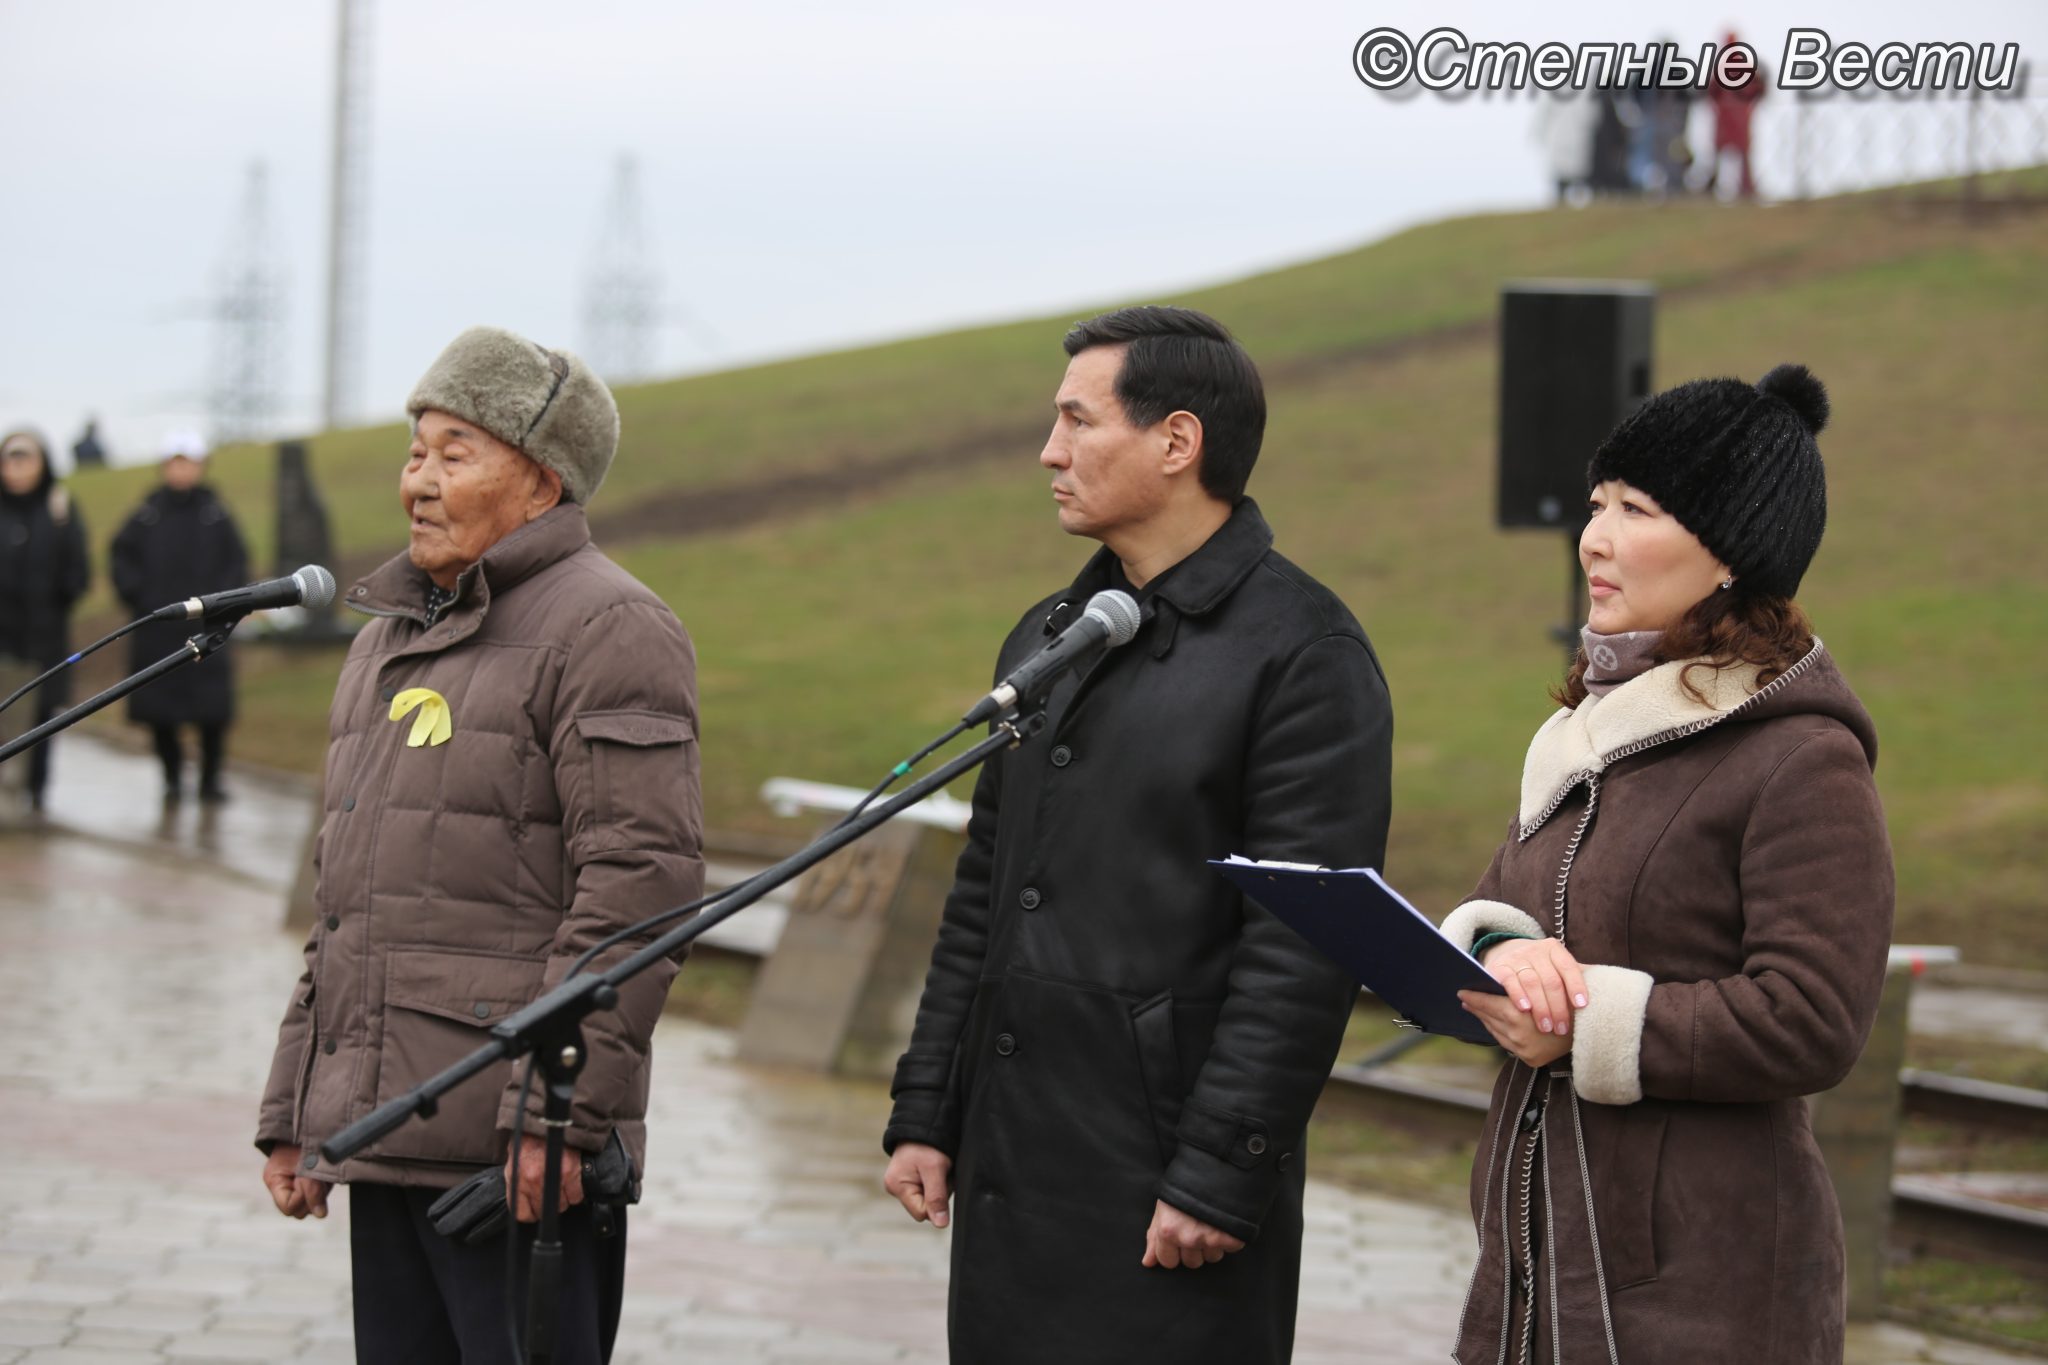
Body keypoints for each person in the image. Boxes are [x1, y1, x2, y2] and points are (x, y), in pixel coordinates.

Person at [881, 306, 1393, 1363]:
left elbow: (1301, 949)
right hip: (1014, 1164)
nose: (1048, 451)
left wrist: (1217, 1169)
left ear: (1175, 442)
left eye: (1077, 421)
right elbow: (986, 886)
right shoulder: (1049, 638)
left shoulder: (1302, 654)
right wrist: (928, 1103)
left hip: (1164, 1187)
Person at [253, 327, 704, 1365]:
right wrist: (299, 1108)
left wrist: (558, 1118)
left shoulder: (611, 628)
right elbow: (345, 903)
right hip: (386, 1136)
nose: (417, 479)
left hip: (511, 1153)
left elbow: (638, 890)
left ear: (543, 482)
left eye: (456, 452)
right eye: (415, 449)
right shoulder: (384, 642)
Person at [1440, 364, 1893, 1363]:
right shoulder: (1579, 735)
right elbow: (1498, 912)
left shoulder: (1797, 756)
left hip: (1701, 1294)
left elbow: (1811, 1019)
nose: (1592, 537)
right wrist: (1501, 959)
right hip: (1528, 1268)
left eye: (1633, 508)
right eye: (1596, 504)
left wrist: (1583, 1021)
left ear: (1728, 551)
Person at [110, 434, 249, 802]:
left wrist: (225, 603)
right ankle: (171, 778)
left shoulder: (215, 514)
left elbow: (236, 561)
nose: (182, 470)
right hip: (160, 632)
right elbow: (120, 557)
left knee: (212, 712)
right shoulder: (147, 514)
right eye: (175, 462)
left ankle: (210, 780)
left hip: (207, 631)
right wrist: (140, 596)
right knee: (160, 712)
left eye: (188, 462)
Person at [0, 429, 92, 813]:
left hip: (45, 637)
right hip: (1, 638)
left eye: (26, 459)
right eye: (11, 458)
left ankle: (34, 796)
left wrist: (58, 596)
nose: (18, 468)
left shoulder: (59, 508)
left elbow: (78, 569)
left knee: (41, 718)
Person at [1707, 31, 1766, 200]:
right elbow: (1712, 91)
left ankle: (1746, 189)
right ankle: (1720, 188)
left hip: (1736, 118)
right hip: (1728, 118)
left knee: (1740, 155)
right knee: (1724, 154)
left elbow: (1759, 88)